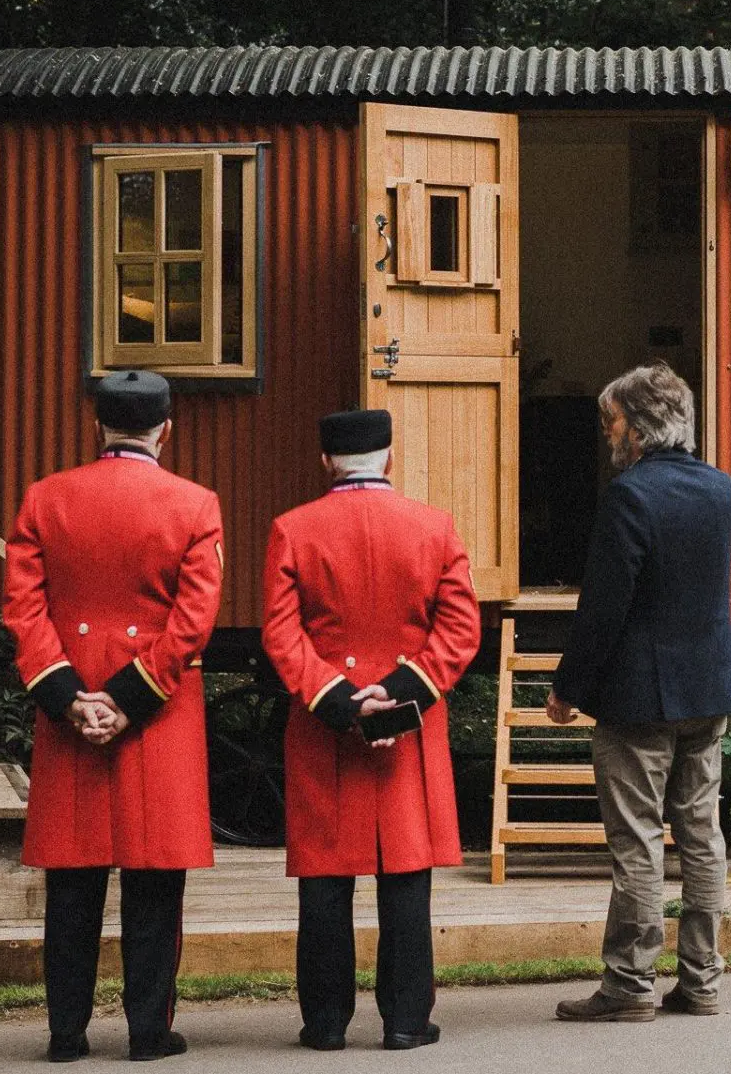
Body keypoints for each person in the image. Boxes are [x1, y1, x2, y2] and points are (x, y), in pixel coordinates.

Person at [4, 370, 224, 1063]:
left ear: (97, 424)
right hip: (157, 714)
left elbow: (23, 612)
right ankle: (148, 1030)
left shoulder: (45, 497)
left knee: (73, 881)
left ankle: (65, 1032)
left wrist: (71, 694)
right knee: (154, 881)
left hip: (70, 707)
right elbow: (192, 624)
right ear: (167, 426)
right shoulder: (195, 503)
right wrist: (129, 698)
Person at [262, 409, 481, 1051]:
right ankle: (407, 1021)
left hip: (322, 723)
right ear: (390, 458)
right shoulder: (434, 527)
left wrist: (339, 699)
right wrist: (401, 692)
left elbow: (281, 633)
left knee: (325, 880)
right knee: (407, 874)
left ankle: (325, 1023)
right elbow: (461, 629)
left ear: (324, 461)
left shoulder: (292, 530)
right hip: (410, 724)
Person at [548, 362, 731, 1022]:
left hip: (638, 698)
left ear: (639, 427)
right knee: (702, 837)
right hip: (709, 689)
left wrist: (569, 685)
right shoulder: (722, 488)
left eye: (613, 421)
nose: (608, 432)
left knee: (637, 842)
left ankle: (629, 985)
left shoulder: (630, 496)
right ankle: (702, 980)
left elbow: (605, 607)